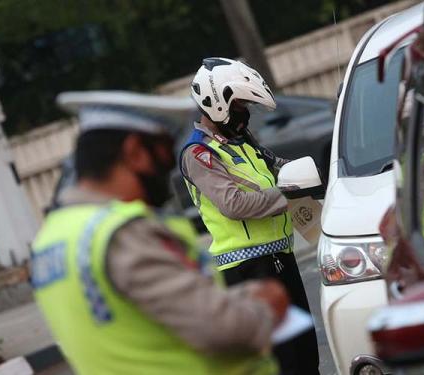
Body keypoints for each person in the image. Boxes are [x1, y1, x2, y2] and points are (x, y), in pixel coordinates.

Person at [31, 91, 290, 375]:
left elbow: (139, 318)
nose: (169, 169)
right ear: (136, 152)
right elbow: (221, 329)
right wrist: (267, 304)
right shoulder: (124, 233)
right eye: (165, 153)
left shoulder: (52, 237)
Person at [180, 58, 320, 375]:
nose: (246, 111)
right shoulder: (199, 154)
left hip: (280, 259)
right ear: (218, 103)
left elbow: (277, 166)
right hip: (247, 271)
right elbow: (233, 204)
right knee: (283, 364)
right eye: (241, 103)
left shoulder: (244, 142)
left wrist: (312, 176)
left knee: (306, 356)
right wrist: (287, 194)